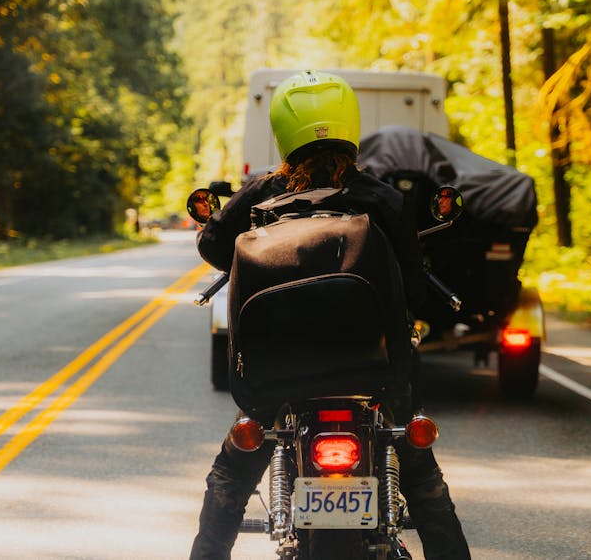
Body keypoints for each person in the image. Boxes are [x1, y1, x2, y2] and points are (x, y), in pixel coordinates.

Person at [190, 70, 471, 559]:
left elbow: (214, 246)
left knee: (230, 479)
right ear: (350, 126)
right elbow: (413, 290)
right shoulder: (383, 198)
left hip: (277, 376)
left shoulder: (261, 194)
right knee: (424, 483)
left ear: (284, 132)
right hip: (377, 376)